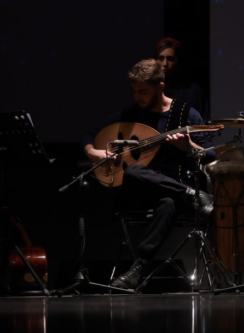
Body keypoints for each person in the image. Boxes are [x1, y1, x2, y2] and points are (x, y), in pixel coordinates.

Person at [82, 59, 216, 290]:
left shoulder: (185, 113)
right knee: (133, 171)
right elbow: (89, 135)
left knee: (167, 202)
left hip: (173, 187)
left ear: (160, 87)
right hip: (142, 191)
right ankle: (191, 195)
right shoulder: (131, 115)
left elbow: (210, 153)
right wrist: (95, 154)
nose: (137, 97)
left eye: (143, 92)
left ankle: (138, 268)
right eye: (134, 91)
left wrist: (188, 147)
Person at [154, 38, 210, 121]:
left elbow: (202, 123)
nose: (165, 64)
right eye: (161, 58)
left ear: (178, 60)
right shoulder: (152, 88)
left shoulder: (193, 91)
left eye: (170, 59)